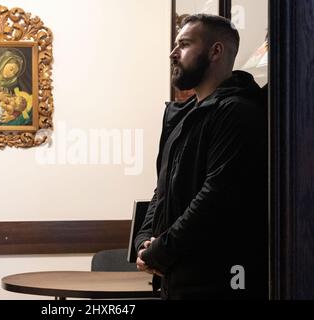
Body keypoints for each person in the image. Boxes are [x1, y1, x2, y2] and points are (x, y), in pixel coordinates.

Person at [134, 14, 268, 300]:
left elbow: (214, 197)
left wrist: (161, 251)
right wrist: (144, 241)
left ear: (215, 51)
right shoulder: (183, 115)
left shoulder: (237, 111)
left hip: (216, 282)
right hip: (176, 279)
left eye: (183, 44)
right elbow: (163, 189)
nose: (173, 53)